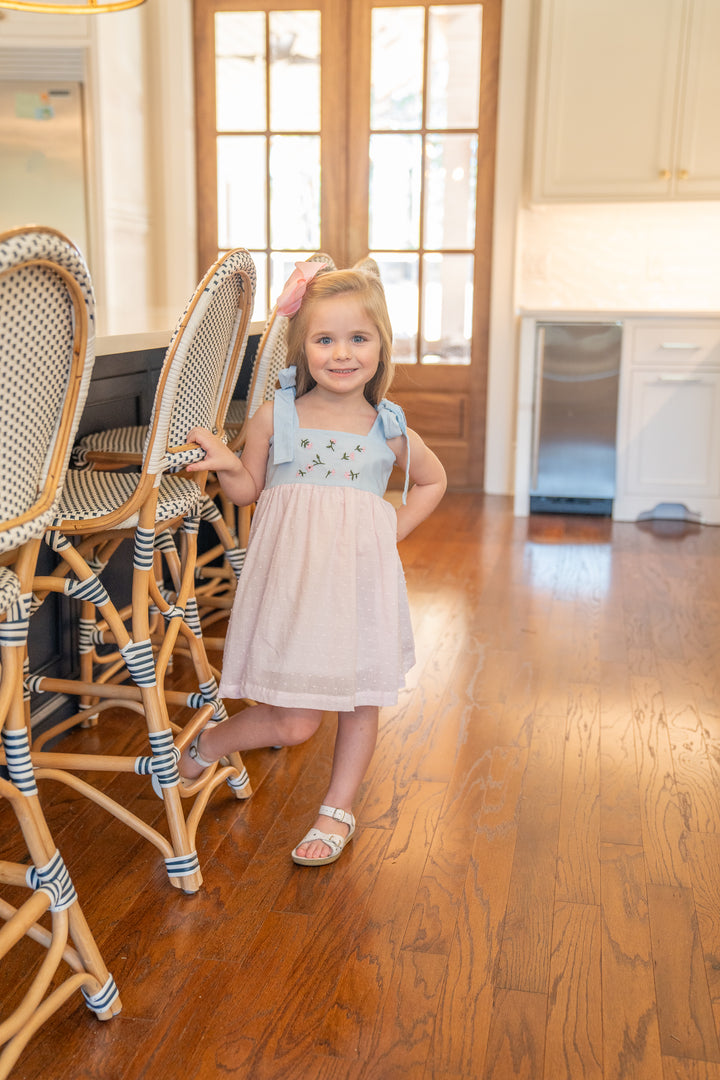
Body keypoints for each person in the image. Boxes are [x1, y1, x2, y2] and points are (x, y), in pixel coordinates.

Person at [183, 261, 447, 866]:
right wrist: (226, 461)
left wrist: (389, 531)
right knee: (295, 722)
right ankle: (209, 744)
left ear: (381, 345)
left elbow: (432, 482)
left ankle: (338, 809)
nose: (342, 353)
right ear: (304, 346)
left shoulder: (388, 426)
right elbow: (249, 490)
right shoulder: (278, 416)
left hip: (358, 586)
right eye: (325, 339)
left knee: (360, 700)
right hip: (293, 588)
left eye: (359, 338)